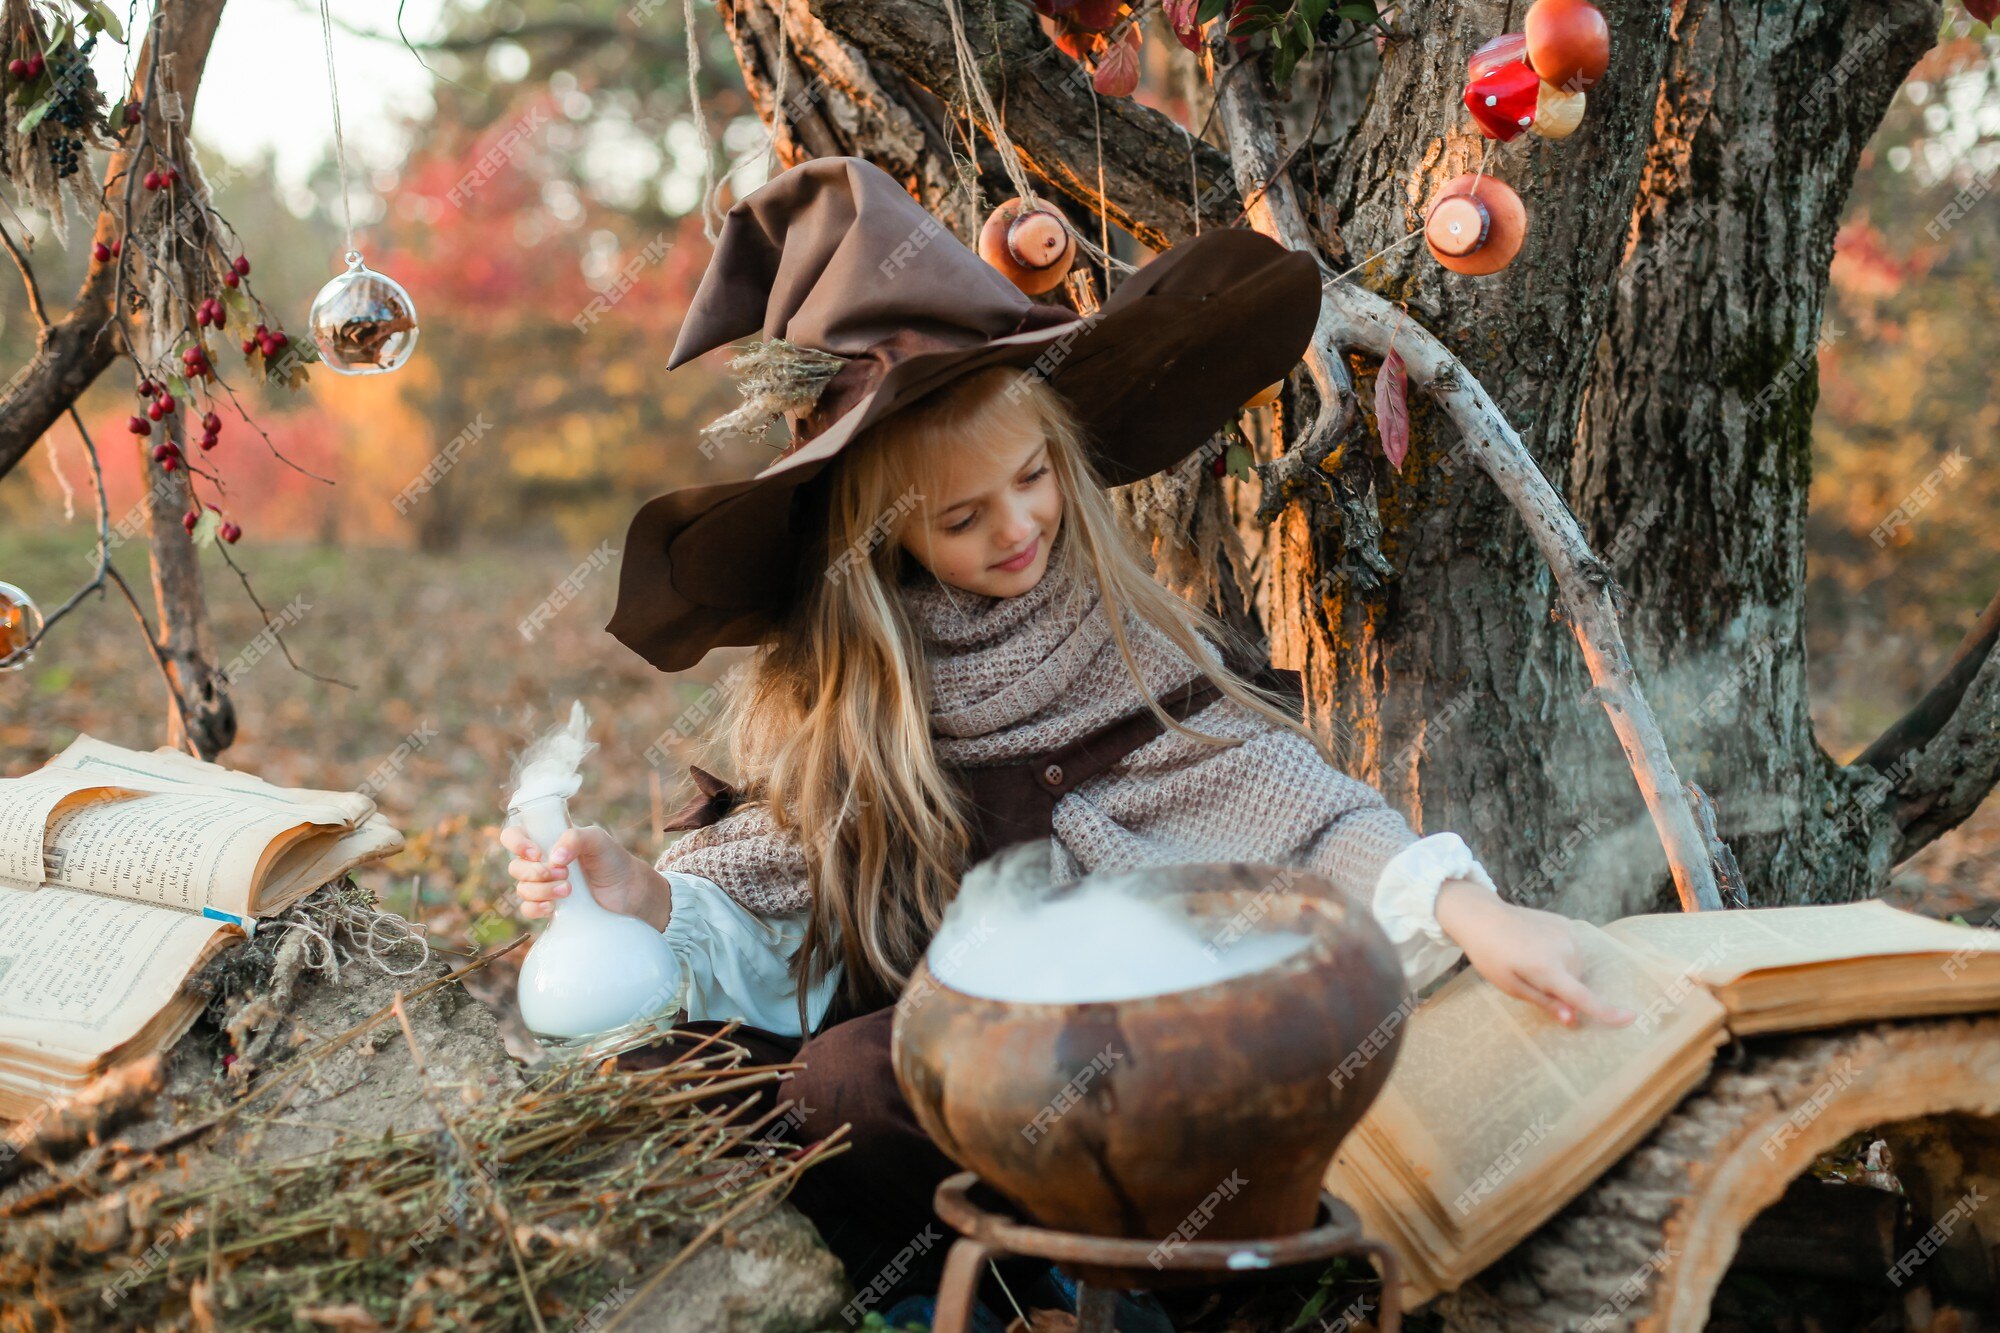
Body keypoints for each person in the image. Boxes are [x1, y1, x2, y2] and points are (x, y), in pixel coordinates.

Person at [499, 156, 1632, 1327]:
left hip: (1115, 1088)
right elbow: (780, 897)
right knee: (681, 1073)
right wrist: (637, 899)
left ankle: (1091, 1294)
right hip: (913, 1130)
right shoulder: (857, 700)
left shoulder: (1121, 653)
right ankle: (939, 1294)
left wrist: (1467, 914)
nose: (1019, 524)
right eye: (961, 515)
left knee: (861, 1073)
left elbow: (1300, 813)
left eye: (1033, 478)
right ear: (884, 538)